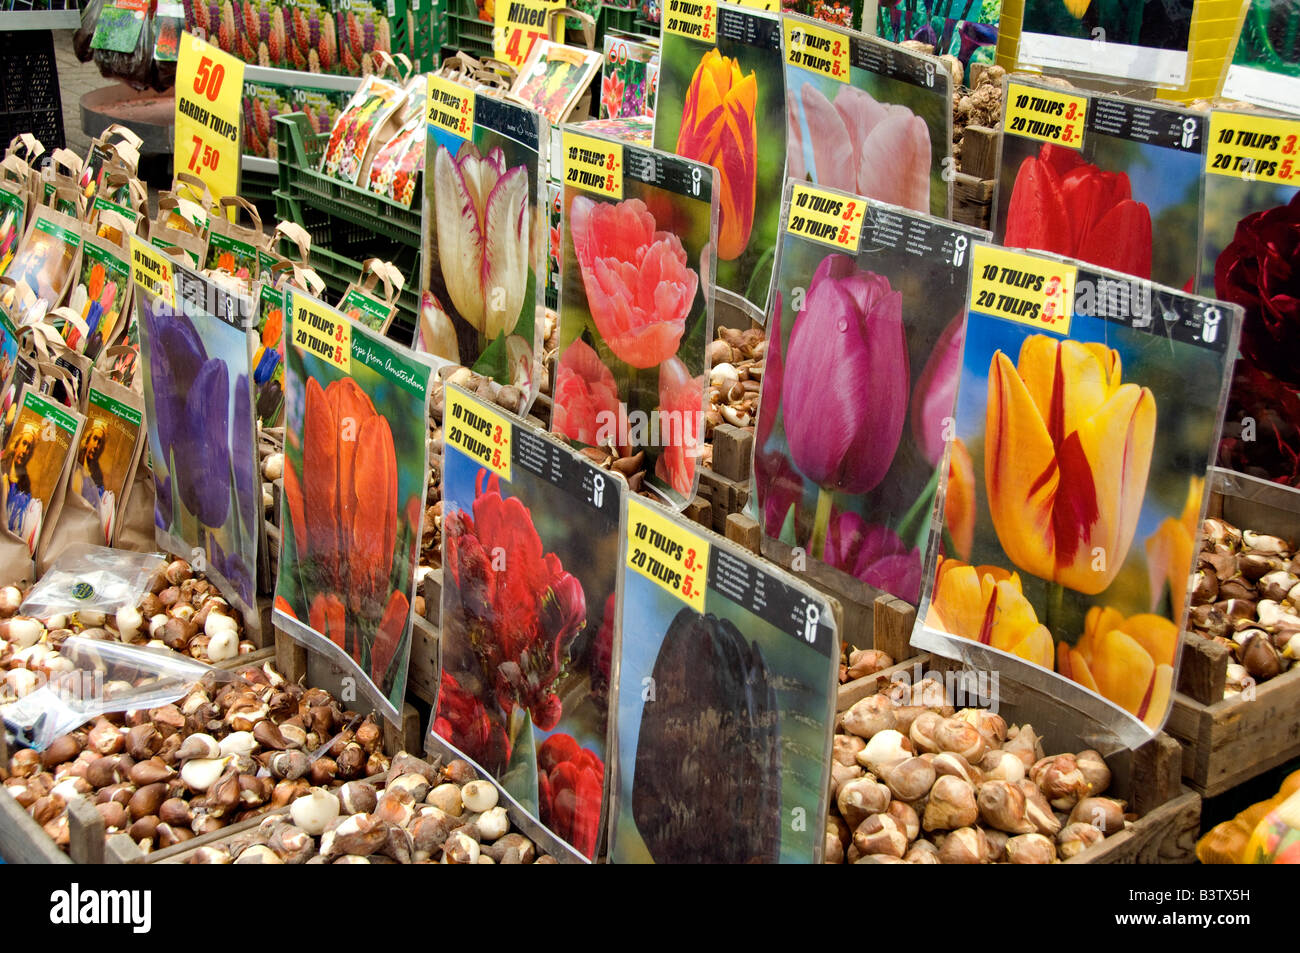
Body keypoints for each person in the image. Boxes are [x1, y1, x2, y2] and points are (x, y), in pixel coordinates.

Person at [1, 422, 41, 549]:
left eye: (29, 448)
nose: (25, 451)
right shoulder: (2, 468)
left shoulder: (26, 483)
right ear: (16, 445)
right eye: (24, 444)